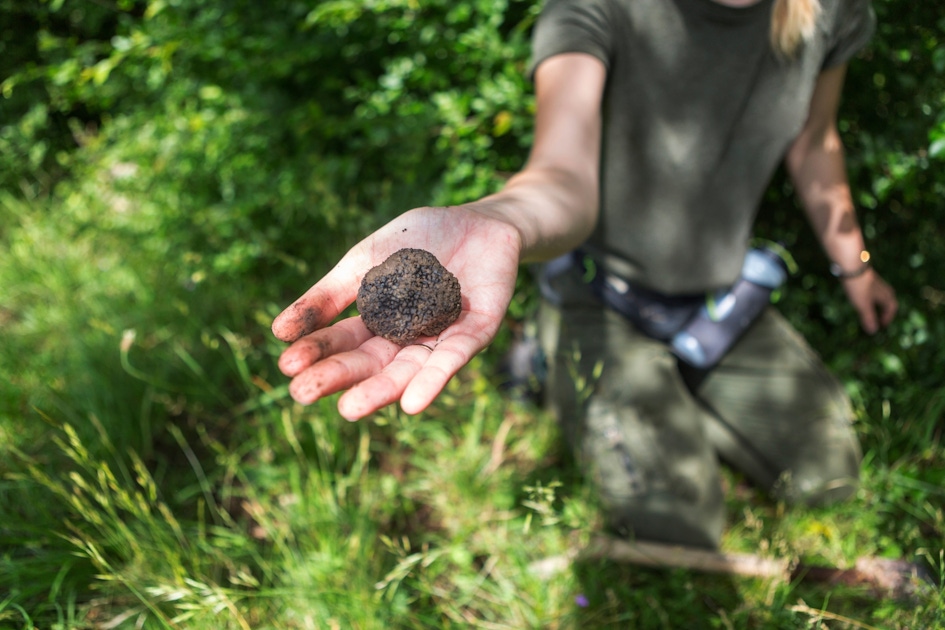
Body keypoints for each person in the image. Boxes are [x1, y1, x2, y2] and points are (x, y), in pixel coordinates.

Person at [272, 0, 898, 549]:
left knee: (833, 477)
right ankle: (553, 353)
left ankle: (664, 386)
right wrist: (500, 221)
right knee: (680, 524)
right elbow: (560, 172)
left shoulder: (827, 9)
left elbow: (815, 141)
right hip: (603, 295)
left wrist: (855, 264)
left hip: (716, 297)